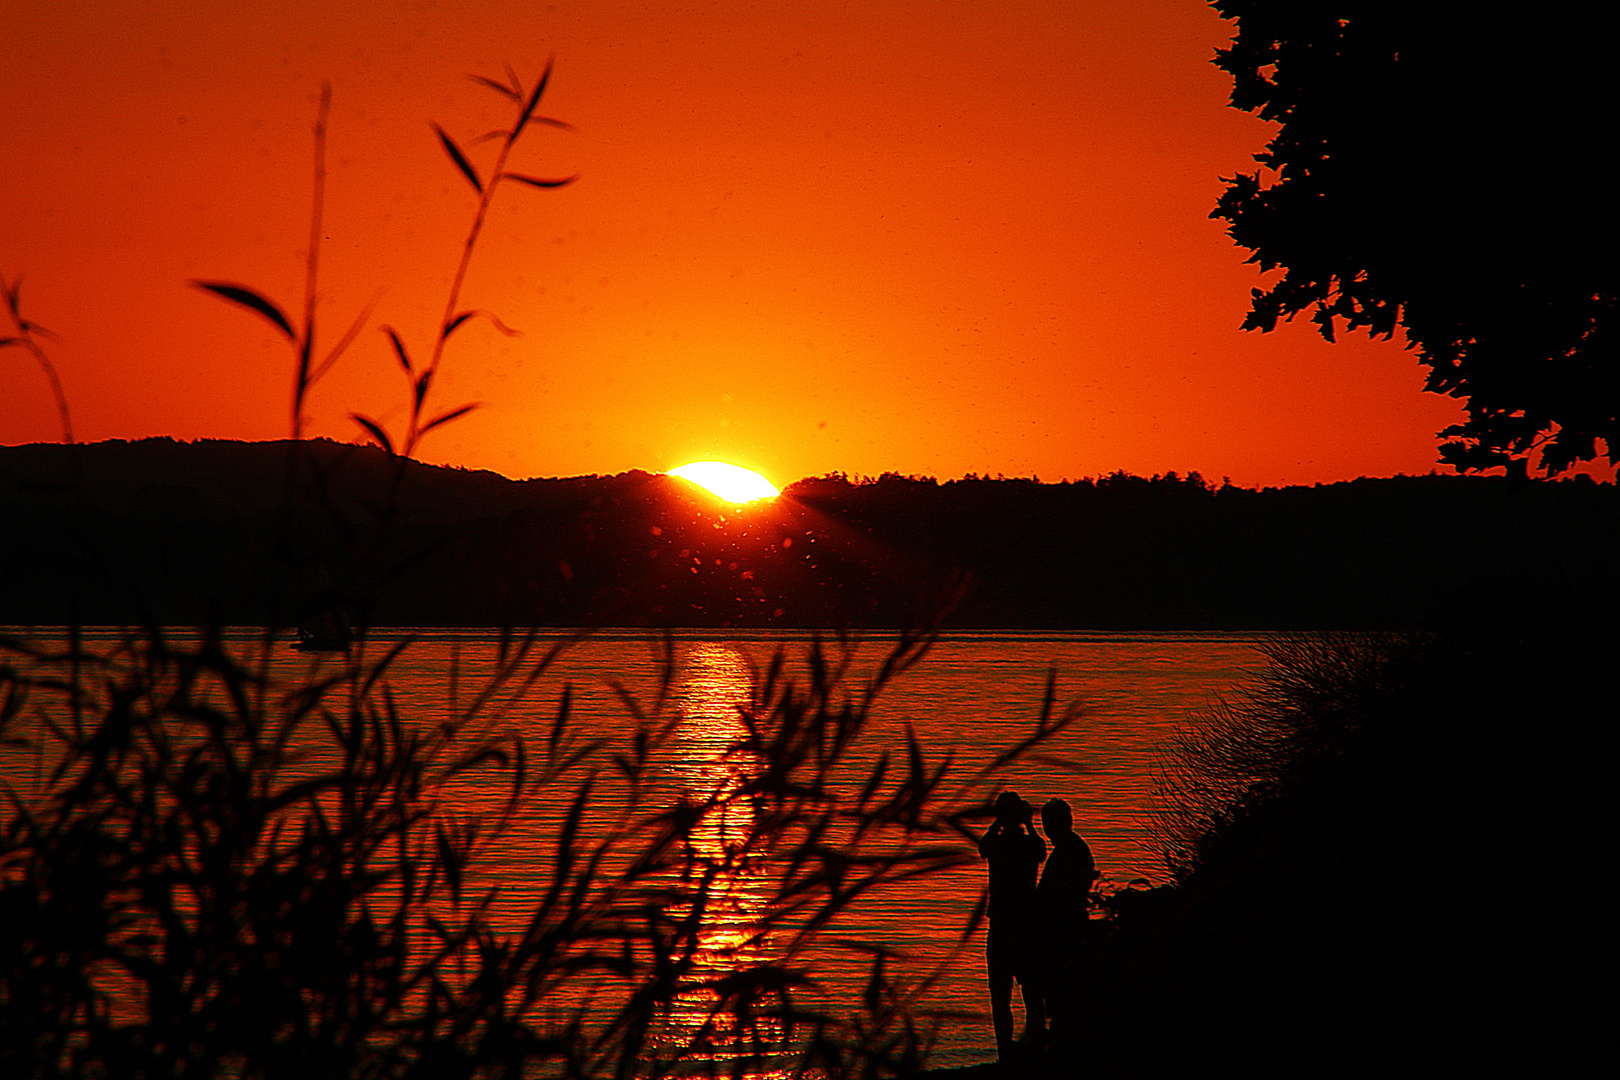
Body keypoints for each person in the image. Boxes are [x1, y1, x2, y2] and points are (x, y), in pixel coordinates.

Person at [979, 790, 1047, 1061]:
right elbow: (1041, 849)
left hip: (1002, 927)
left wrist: (999, 821)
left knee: (1000, 994)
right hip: (1026, 925)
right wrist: (1028, 823)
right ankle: (1034, 1045)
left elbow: (983, 845)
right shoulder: (1029, 845)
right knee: (1031, 989)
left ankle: (1005, 1049)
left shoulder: (997, 846)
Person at [1036, 797, 1096, 1067]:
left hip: (1065, 928)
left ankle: (1064, 1048)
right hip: (1065, 926)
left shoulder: (1068, 851)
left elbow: (1059, 894)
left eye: (1049, 822)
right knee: (1062, 989)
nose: (1048, 828)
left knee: (1063, 988)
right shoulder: (1070, 848)